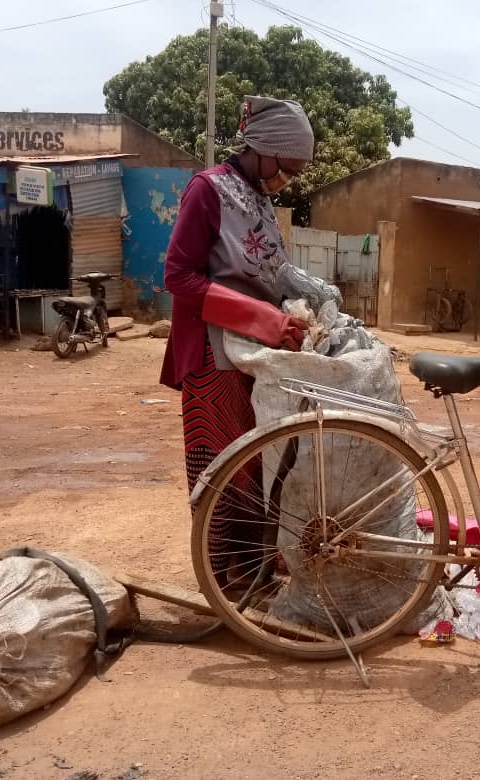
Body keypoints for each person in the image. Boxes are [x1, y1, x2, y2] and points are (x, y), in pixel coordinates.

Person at [160, 95, 314, 581]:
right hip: (214, 354)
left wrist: (313, 291)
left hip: (256, 356)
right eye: (286, 167)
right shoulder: (208, 191)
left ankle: (254, 570)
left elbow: (274, 269)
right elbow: (179, 276)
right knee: (225, 469)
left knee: (260, 463)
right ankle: (222, 575)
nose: (287, 178)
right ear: (262, 148)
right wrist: (263, 319)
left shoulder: (262, 202)